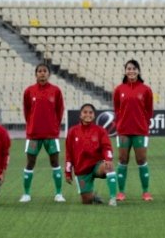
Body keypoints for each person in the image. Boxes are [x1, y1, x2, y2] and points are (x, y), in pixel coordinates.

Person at [20, 63, 65, 203]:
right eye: (39, 71)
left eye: (45, 71)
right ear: (36, 74)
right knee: (30, 162)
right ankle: (26, 194)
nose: (42, 73)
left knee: (55, 162)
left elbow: (60, 110)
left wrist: (54, 126)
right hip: (34, 134)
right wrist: (32, 125)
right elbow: (27, 111)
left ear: (49, 74)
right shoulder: (29, 91)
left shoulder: (56, 91)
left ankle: (58, 193)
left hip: (51, 134)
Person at [113, 59, 154, 201]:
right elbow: (117, 109)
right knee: (123, 159)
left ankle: (146, 192)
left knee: (141, 159)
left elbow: (149, 110)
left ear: (138, 71)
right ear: (125, 71)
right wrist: (120, 124)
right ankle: (121, 192)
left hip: (140, 131)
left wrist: (144, 124)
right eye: (129, 68)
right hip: (123, 131)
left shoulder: (146, 89)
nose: (131, 71)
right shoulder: (119, 89)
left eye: (134, 68)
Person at [65, 103, 118, 206]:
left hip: (96, 165)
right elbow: (68, 153)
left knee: (109, 167)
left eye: (91, 112)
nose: (88, 114)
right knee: (86, 201)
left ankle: (113, 199)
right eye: (85, 112)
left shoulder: (100, 131)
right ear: (80, 115)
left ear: (94, 115)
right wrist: (67, 172)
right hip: (81, 170)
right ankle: (93, 196)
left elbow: (107, 147)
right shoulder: (72, 132)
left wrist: (108, 159)